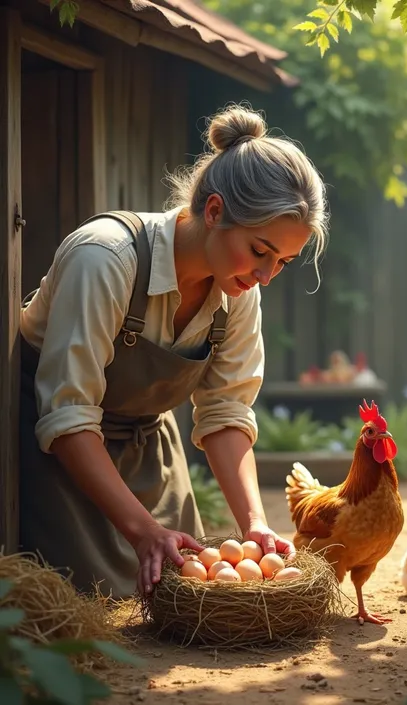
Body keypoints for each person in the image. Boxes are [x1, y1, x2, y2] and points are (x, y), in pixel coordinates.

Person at [19, 104, 328, 599]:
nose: (267, 275)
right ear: (214, 212)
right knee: (82, 609)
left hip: (150, 459)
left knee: (172, 602)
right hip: (54, 458)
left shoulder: (238, 291)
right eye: (260, 251)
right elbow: (67, 414)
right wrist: (142, 532)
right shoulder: (104, 259)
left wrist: (254, 524)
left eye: (284, 262)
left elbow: (225, 412)